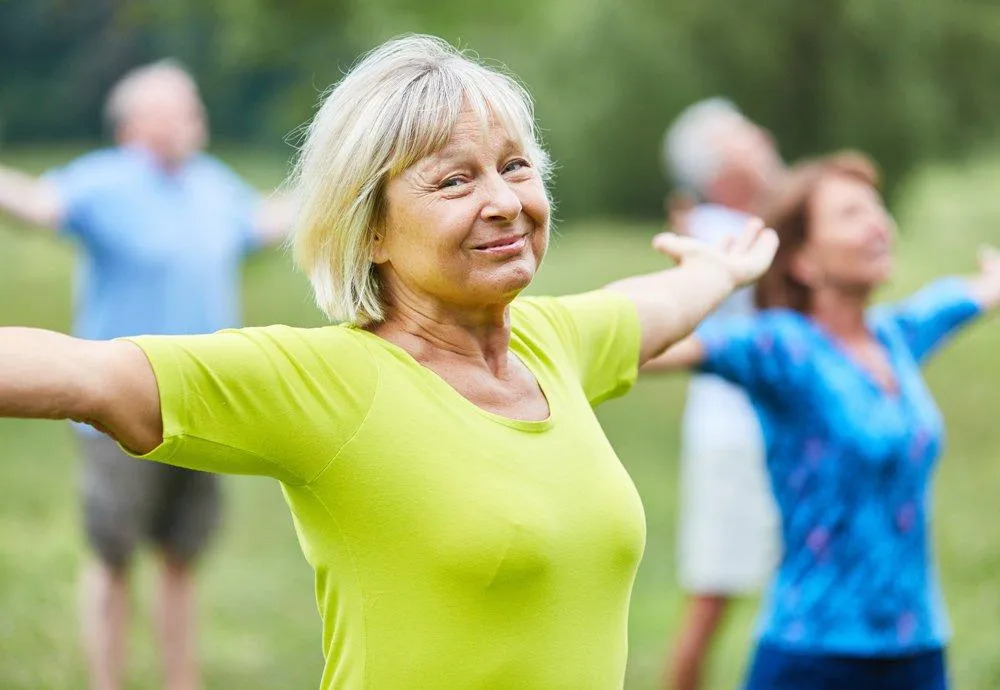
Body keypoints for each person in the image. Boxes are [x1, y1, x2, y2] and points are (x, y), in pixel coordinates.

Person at [0, 35, 780, 690]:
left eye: (515, 165)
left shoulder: (554, 343)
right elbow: (86, 374)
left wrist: (718, 270)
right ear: (368, 231)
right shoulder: (330, 385)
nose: (505, 201)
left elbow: (650, 307)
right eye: (454, 180)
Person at [644, 152, 1000, 690]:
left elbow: (959, 298)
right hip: (814, 656)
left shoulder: (895, 337)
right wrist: (694, 285)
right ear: (803, 261)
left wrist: (989, 285)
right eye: (852, 213)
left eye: (877, 207)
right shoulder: (782, 347)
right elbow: (642, 349)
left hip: (920, 650)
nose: (878, 221)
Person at [0, 61, 293, 690]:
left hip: (205, 401)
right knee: (112, 557)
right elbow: (33, 203)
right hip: (116, 404)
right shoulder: (104, 181)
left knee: (182, 556)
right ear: (137, 122)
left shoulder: (213, 185)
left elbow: (270, 221)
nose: (197, 114)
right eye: (181, 105)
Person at [659, 98, 785, 690]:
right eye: (741, 136)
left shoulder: (734, 223)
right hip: (735, 438)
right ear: (718, 171)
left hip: (762, 429)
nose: (759, 135)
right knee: (713, 597)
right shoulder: (721, 232)